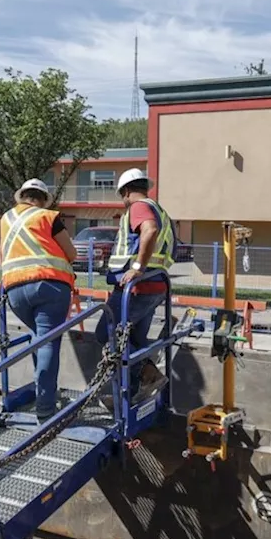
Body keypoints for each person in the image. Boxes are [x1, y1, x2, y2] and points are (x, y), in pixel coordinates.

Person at [0, 178, 78, 423]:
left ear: (22, 196)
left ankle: (41, 392)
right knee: (48, 343)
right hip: (49, 285)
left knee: (38, 339)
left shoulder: (6, 219)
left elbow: (3, 253)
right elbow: (71, 252)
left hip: (14, 289)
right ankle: (45, 409)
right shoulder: (47, 217)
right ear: (43, 199)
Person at [101, 167, 175, 403]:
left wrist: (138, 267)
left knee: (106, 333)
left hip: (135, 289)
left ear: (126, 192)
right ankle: (130, 397)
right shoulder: (160, 210)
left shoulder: (139, 207)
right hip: (155, 287)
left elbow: (149, 230)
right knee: (135, 342)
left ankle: (150, 375)